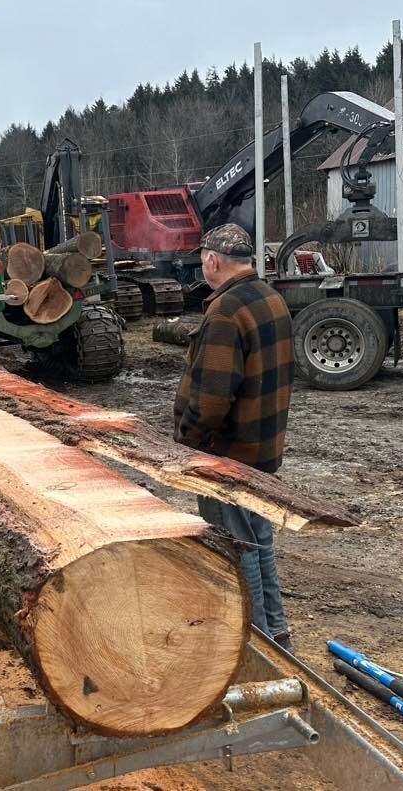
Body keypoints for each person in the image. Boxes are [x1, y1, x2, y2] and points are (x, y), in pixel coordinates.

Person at [173, 223, 295, 651]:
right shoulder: (271, 298)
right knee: (259, 543)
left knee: (236, 550)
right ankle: (277, 634)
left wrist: (185, 444)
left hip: (227, 456)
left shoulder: (225, 312)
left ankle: (257, 647)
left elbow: (211, 400)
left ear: (212, 260)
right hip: (263, 452)